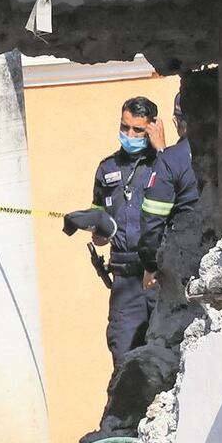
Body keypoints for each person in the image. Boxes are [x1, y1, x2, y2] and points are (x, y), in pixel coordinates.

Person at [90, 96, 162, 365]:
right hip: (125, 279)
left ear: (152, 127)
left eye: (137, 130)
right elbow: (98, 228)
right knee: (124, 357)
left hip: (158, 276)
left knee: (168, 353)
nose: (129, 135)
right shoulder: (107, 168)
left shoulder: (163, 163)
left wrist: (162, 149)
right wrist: (95, 228)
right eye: (124, 127)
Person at [138, 92, 201, 283]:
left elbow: (152, 222)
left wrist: (150, 266)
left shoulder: (170, 160)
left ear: (176, 122)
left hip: (185, 261)